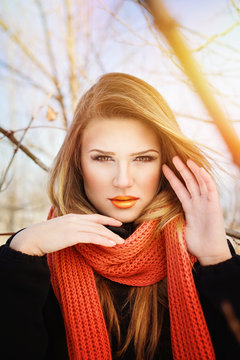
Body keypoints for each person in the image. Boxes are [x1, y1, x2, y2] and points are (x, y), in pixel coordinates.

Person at [0, 72, 240, 360]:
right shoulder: (38, 260)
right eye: (103, 158)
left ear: (165, 162)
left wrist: (217, 261)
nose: (123, 180)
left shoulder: (201, 251)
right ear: (77, 162)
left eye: (143, 158)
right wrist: (21, 253)